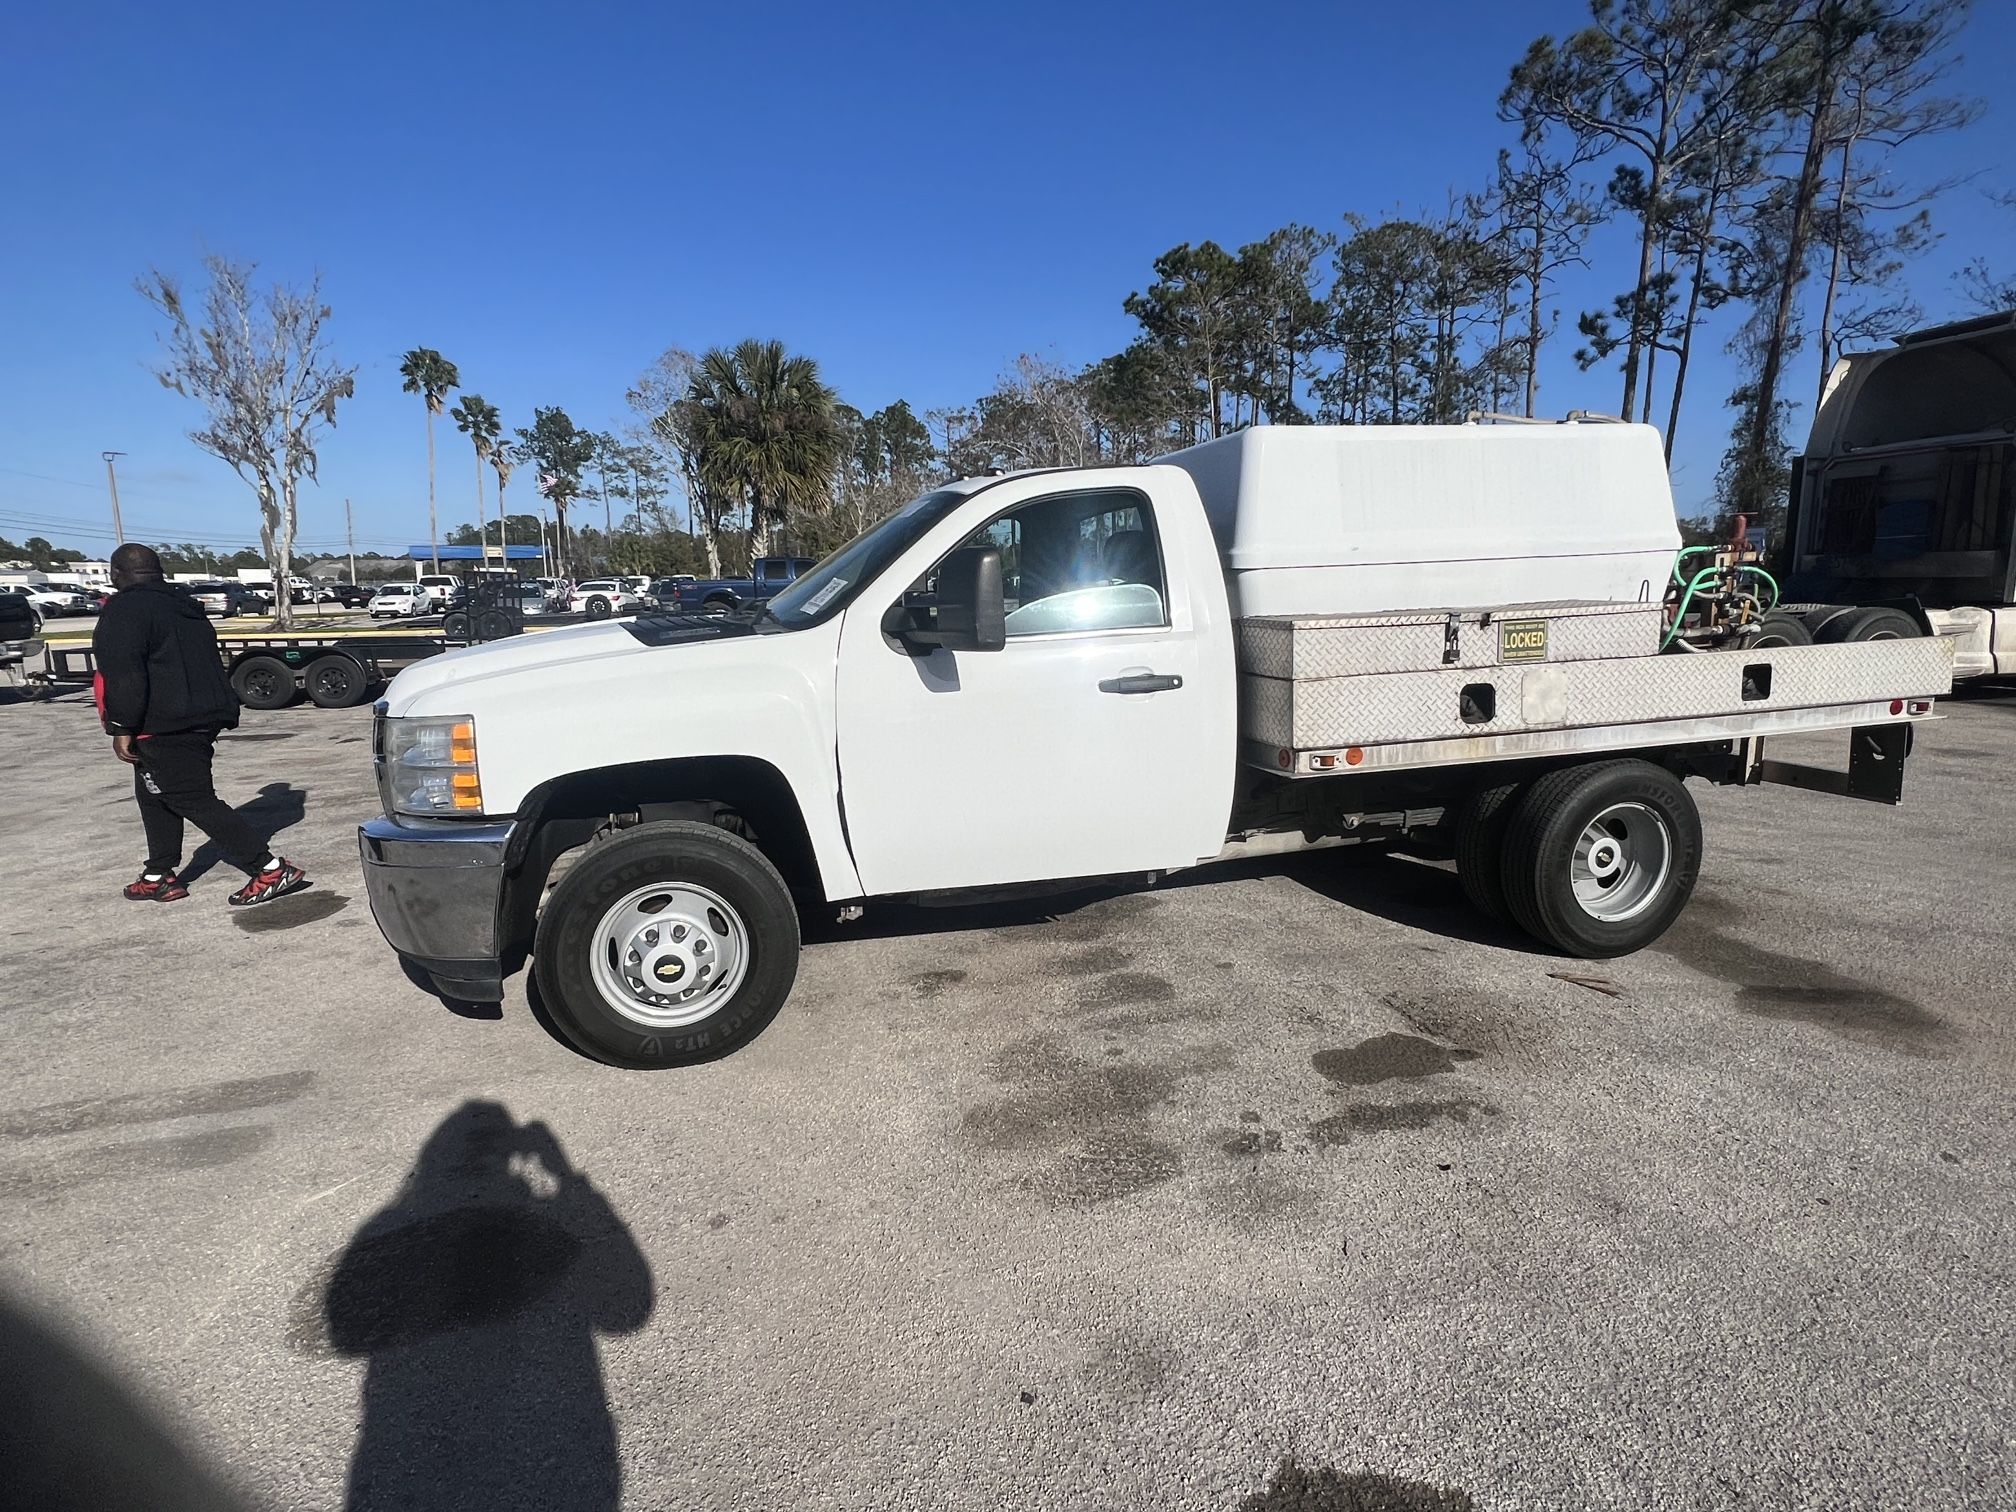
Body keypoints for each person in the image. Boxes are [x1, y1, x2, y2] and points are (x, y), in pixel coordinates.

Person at [93, 543, 309, 906]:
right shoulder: (184, 605)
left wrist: (120, 725)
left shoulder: (124, 610)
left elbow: (125, 674)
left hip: (163, 722)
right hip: (200, 713)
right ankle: (158, 874)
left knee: (190, 797)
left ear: (116, 574)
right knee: (154, 795)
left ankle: (269, 868)